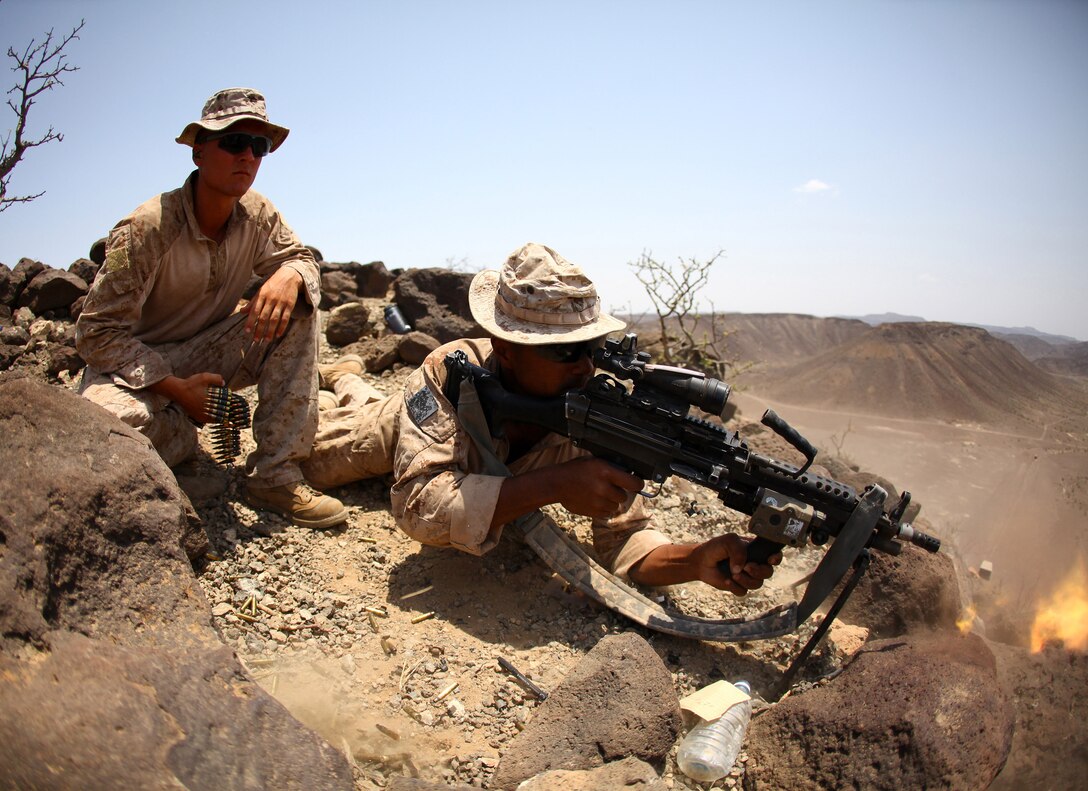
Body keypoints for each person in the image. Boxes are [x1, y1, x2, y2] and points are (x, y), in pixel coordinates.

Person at [302, 242, 778, 594]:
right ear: (506, 350)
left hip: (465, 462)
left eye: (592, 348)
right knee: (315, 458)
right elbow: (419, 507)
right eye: (566, 351)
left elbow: (626, 537)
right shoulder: (453, 371)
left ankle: (348, 378)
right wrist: (554, 485)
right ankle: (344, 383)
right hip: (400, 429)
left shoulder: (602, 411)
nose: (586, 367)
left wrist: (693, 562)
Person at [75, 87, 348, 529]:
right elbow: (96, 334)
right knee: (108, 428)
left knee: (299, 307)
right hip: (136, 369)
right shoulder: (148, 228)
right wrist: (177, 391)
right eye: (234, 142)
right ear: (199, 151)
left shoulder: (259, 214)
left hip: (209, 352)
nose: (248, 156)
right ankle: (181, 433)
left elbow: (302, 258)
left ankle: (275, 476)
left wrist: (291, 274)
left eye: (258, 147)